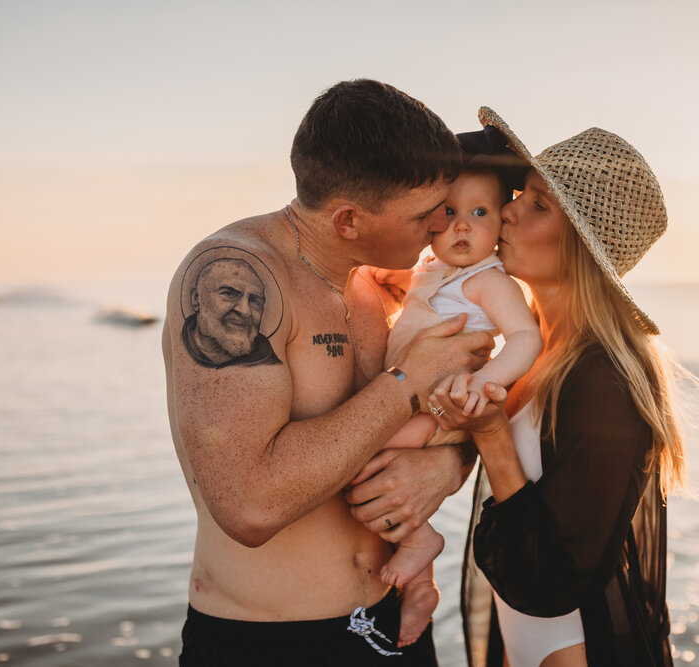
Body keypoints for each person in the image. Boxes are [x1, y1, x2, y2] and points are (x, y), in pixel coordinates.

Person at [162, 80, 493, 666]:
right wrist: (405, 383)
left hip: (395, 626)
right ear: (347, 219)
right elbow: (249, 505)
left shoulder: (373, 284)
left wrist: (446, 466)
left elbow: (423, 422)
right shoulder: (236, 277)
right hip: (272, 647)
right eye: (424, 213)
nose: (443, 222)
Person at [430, 108, 688, 667]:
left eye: (539, 205)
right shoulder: (532, 352)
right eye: (522, 192)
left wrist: (492, 435)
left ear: (581, 248)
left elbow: (559, 574)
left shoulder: (603, 380)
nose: (510, 209)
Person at [357, 165, 542, 647]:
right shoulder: (430, 269)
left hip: (436, 408)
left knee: (358, 458)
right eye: (450, 212)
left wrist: (485, 381)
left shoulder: (489, 281)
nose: (462, 225)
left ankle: (422, 542)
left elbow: (526, 338)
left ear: (501, 225)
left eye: (479, 213)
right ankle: (421, 582)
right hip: (409, 400)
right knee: (382, 474)